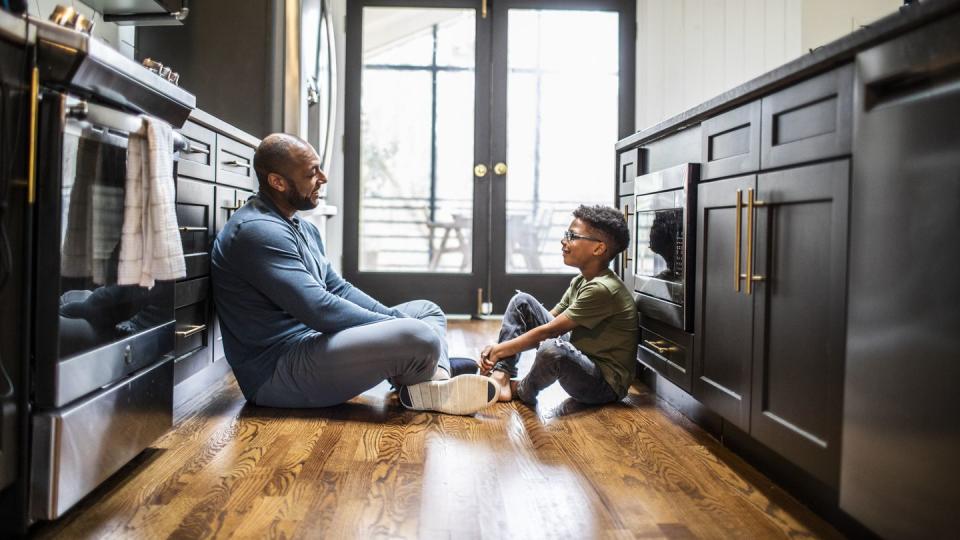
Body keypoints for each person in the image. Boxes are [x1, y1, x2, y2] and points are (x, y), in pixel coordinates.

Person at [210, 133, 497, 415]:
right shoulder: (257, 231)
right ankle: (429, 370)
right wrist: (394, 325)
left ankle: (433, 380)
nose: (323, 178)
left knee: (426, 311)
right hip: (278, 372)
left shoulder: (302, 227)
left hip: (314, 343)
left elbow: (337, 289)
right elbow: (320, 310)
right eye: (312, 173)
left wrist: (393, 321)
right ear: (277, 182)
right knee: (418, 334)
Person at [479, 205, 638, 406]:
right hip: (581, 358)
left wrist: (499, 349)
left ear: (599, 248)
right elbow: (545, 321)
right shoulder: (581, 281)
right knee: (522, 303)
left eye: (572, 236)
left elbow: (549, 332)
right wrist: (501, 352)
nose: (564, 241)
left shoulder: (603, 289)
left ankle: (520, 389)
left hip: (602, 385)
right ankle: (501, 375)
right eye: (566, 234)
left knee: (552, 348)